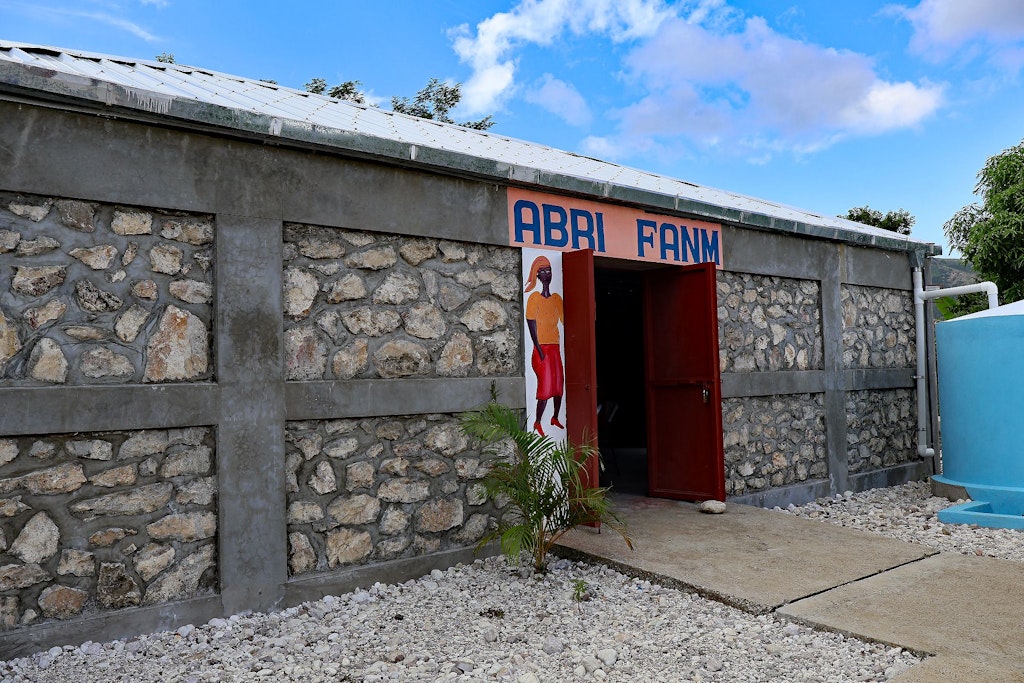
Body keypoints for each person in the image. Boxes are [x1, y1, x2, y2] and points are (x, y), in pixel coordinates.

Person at [524, 255, 564, 436]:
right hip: (542, 349)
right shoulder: (534, 299)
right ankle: (538, 421)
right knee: (546, 385)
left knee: (558, 384)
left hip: (555, 348)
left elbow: (566, 321)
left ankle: (555, 417)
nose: (547, 274)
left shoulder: (556, 299)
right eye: (542, 272)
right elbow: (531, 326)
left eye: (549, 271)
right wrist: (539, 350)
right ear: (537, 276)